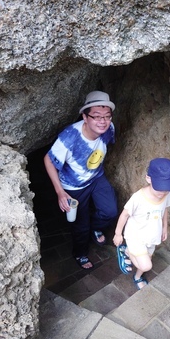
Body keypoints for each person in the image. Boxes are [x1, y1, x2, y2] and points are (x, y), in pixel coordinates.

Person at [44, 91, 118, 269]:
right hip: (73, 187)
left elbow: (102, 148)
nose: (103, 121)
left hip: (96, 177)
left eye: (107, 117)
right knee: (80, 226)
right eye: (97, 116)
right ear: (85, 117)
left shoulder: (109, 128)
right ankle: (80, 253)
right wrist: (60, 192)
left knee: (110, 211)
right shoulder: (69, 137)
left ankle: (95, 226)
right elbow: (48, 159)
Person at [112, 158, 170, 290]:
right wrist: (118, 233)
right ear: (149, 179)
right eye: (159, 187)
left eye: (167, 189)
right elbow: (125, 214)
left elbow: (164, 210)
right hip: (135, 236)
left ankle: (137, 277)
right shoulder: (138, 198)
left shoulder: (165, 195)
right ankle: (126, 250)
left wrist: (165, 227)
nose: (163, 192)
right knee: (146, 265)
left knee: (148, 257)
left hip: (151, 235)